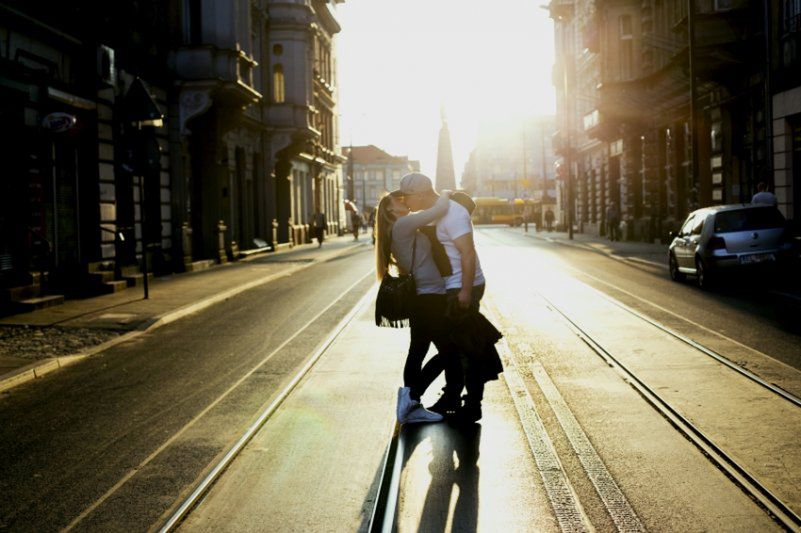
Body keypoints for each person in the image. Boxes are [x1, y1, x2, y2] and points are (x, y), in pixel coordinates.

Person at [400, 173, 487, 423]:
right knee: (453, 347)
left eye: (408, 197)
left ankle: (461, 402)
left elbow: (467, 254)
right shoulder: (434, 212)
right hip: (446, 288)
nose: (406, 202)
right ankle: (448, 398)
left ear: (421, 194)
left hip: (461, 286)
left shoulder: (454, 214)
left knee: (460, 348)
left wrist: (466, 292)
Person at [375, 187, 462, 424]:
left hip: (427, 296)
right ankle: (411, 399)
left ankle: (410, 402)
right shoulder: (403, 225)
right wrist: (443, 193)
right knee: (450, 349)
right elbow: (439, 208)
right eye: (399, 199)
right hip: (428, 297)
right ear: (390, 209)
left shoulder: (401, 227)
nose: (404, 201)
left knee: (419, 350)